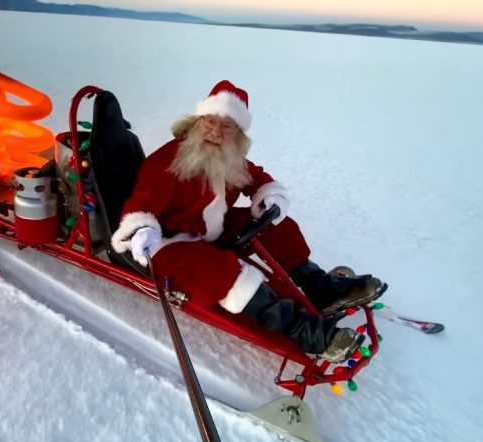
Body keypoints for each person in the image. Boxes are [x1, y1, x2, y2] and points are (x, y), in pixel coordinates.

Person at [110, 80, 386, 363]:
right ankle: (308, 333)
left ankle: (321, 289)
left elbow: (256, 179)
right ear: (198, 120)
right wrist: (141, 228)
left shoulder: (229, 157)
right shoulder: (168, 160)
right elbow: (141, 203)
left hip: (210, 232)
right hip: (166, 243)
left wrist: (268, 197)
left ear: (237, 132)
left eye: (227, 125)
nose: (216, 132)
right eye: (210, 121)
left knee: (279, 227)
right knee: (222, 271)